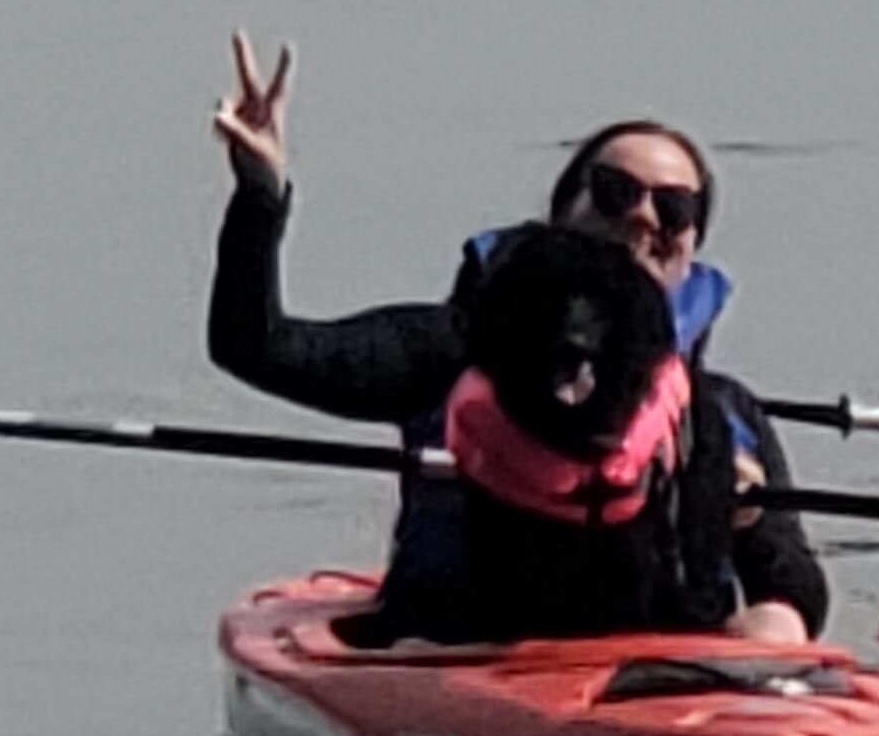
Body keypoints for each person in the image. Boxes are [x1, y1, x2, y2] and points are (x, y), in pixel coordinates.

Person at [208, 35, 825, 643]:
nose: (642, 217)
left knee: (770, 629)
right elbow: (254, 346)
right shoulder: (449, 351)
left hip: (660, 668)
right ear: (562, 214)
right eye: (614, 193)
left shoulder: (721, 410)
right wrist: (260, 198)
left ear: (692, 243)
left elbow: (792, 583)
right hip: (452, 653)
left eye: (674, 207)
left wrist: (752, 530)